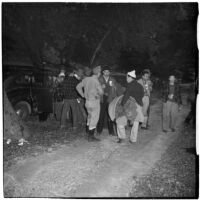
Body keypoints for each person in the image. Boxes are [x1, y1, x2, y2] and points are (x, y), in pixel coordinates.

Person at [115, 70, 144, 143]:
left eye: (127, 77)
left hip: (130, 106)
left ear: (130, 77)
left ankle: (122, 137)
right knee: (136, 123)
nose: (126, 79)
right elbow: (142, 94)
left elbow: (126, 97)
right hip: (138, 105)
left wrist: (121, 105)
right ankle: (133, 139)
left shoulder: (130, 85)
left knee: (120, 120)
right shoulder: (140, 85)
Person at [76, 65, 103, 142]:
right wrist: (99, 94)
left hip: (87, 102)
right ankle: (91, 137)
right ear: (98, 73)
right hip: (94, 102)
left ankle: (88, 133)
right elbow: (101, 92)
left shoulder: (86, 79)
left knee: (90, 117)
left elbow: (78, 87)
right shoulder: (96, 81)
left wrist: (83, 95)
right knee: (94, 118)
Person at [97, 66, 116, 135]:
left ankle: (111, 131)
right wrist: (101, 88)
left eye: (108, 71)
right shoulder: (99, 79)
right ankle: (99, 130)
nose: (107, 73)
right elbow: (96, 89)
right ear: (103, 72)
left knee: (110, 114)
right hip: (102, 98)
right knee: (101, 115)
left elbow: (115, 89)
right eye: (105, 71)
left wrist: (113, 87)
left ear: (109, 72)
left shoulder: (112, 80)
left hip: (110, 99)